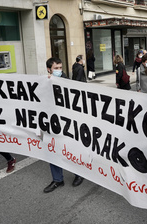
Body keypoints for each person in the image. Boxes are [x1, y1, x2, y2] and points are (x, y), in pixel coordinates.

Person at [44, 58, 84, 193]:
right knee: (53, 151)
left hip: (67, 123)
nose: (59, 71)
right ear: (49, 69)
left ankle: (79, 174)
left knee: (70, 150)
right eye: (56, 68)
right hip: (52, 123)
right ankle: (57, 180)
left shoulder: (66, 81)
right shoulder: (43, 83)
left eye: (60, 68)